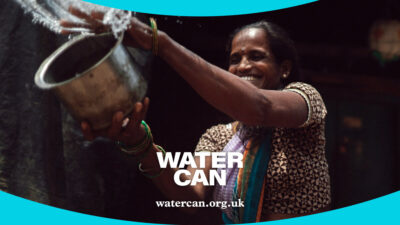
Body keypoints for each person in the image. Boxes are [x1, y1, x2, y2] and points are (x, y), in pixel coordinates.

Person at [61, 8, 331, 223]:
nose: (243, 66)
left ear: (284, 69)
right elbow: (189, 196)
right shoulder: (220, 137)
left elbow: (259, 108)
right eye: (235, 59)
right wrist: (139, 143)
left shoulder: (305, 102)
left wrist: (162, 44)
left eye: (256, 56)